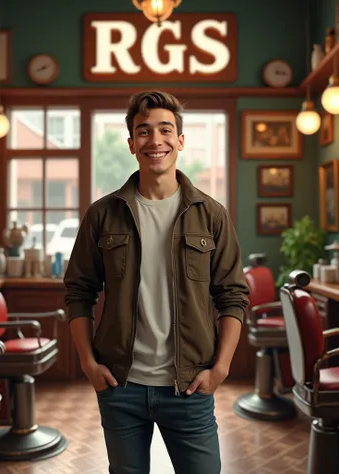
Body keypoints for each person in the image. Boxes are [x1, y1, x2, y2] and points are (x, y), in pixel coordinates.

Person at [64, 90, 250, 474]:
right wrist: (87, 362)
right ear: (132, 144)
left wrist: (221, 369)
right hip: (120, 386)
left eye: (165, 130)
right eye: (144, 131)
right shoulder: (103, 214)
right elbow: (79, 291)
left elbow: (233, 296)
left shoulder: (211, 215)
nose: (155, 140)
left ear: (180, 140)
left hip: (190, 386)